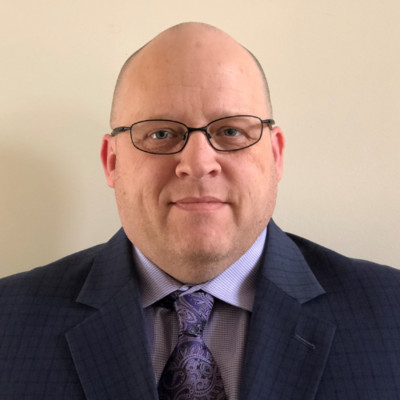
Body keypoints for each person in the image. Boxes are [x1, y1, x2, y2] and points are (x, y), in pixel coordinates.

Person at [0, 22, 399, 400]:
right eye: (160, 133)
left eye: (231, 131)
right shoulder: (8, 321)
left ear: (276, 155)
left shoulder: (391, 313)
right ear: (112, 162)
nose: (198, 163)